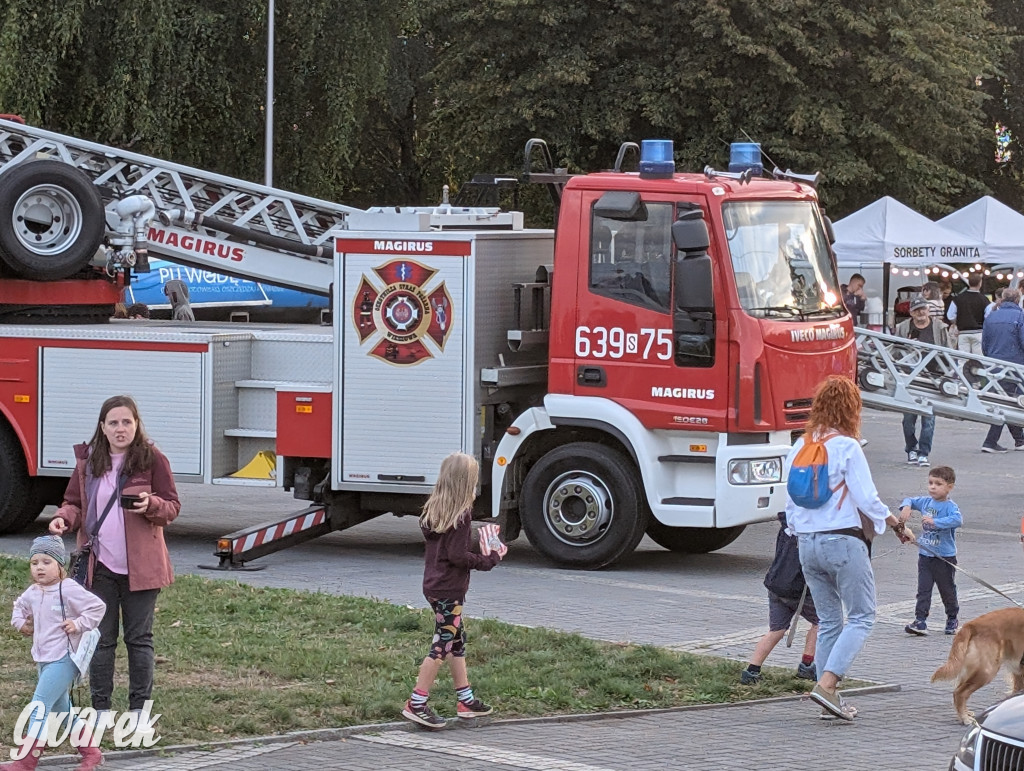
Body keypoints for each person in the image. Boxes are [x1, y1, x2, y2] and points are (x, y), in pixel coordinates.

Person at [785, 375, 914, 721]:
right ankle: (827, 683)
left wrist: (800, 533)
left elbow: (790, 505)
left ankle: (829, 700)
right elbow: (867, 498)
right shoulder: (846, 447)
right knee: (862, 616)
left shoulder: (800, 446)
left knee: (829, 621)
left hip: (806, 544)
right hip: (842, 541)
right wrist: (897, 525)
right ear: (851, 408)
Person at [48, 395, 180, 725]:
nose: (121, 428)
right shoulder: (89, 462)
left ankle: (139, 711)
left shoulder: (152, 459)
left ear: (136, 425)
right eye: (114, 423)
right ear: (103, 428)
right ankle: (102, 710)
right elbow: (74, 503)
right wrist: (63, 518)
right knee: (101, 640)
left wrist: (151, 504)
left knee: (139, 640)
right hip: (99, 567)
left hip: (142, 568)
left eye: (127, 422)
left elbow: (172, 507)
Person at [401, 452, 505, 729]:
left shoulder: (434, 510)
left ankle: (466, 700)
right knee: (442, 645)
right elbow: (458, 556)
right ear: (466, 482)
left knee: (457, 641)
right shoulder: (461, 515)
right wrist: (489, 559)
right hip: (450, 590)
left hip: (434, 586)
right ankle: (417, 702)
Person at [8, 536, 106, 771]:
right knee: (63, 710)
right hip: (42, 657)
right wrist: (21, 624)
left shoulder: (68, 588)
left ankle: (27, 760)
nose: (40, 567)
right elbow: (18, 608)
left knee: (39, 704)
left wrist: (78, 624)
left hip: (64, 658)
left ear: (59, 565)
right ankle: (92, 753)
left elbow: (97, 607)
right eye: (34, 563)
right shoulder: (33, 592)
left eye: (46, 562)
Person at [740, 513, 818, 686]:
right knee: (822, 622)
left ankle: (752, 670)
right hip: (798, 589)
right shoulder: (810, 535)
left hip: (775, 583)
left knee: (776, 630)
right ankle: (807, 664)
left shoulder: (785, 528)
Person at [898, 466, 962, 636]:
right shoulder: (926, 502)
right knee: (923, 589)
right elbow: (909, 499)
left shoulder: (950, 506)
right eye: (930, 483)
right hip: (925, 556)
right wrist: (906, 507)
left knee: (947, 589)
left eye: (938, 484)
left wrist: (936, 522)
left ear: (949, 486)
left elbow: (957, 520)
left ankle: (952, 618)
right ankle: (920, 620)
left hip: (944, 557)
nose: (933, 487)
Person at [894, 295, 948, 466]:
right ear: (911, 313)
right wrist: (907, 345)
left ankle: (923, 452)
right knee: (908, 419)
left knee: (929, 418)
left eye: (923, 309)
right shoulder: (902, 328)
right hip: (909, 379)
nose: (921, 313)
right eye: (917, 310)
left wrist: (948, 374)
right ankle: (911, 449)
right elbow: (894, 352)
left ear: (929, 309)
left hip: (933, 377)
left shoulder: (939, 327)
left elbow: (949, 350)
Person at [981, 288, 1024, 452]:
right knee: (1009, 402)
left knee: (1005, 400)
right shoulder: (1020, 316)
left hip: (994, 363)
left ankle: (1019, 440)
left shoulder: (991, 316)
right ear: (1017, 300)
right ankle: (990, 441)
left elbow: (984, 343)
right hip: (1015, 363)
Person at [947, 273, 989, 355]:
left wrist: (957, 322)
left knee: (962, 359)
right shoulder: (984, 299)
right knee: (979, 359)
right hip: (978, 333)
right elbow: (988, 316)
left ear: (969, 283)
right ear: (980, 283)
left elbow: (950, 315)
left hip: (963, 332)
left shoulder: (958, 298)